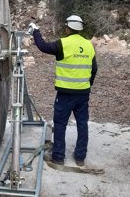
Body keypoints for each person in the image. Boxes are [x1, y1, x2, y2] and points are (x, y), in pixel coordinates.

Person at [28, 15, 97, 166]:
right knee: (82, 123)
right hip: (83, 93)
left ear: (67, 28)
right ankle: (80, 157)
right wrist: (86, 85)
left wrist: (36, 31)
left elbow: (43, 47)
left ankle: (58, 157)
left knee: (60, 124)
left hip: (65, 94)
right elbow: (94, 69)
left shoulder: (63, 44)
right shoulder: (88, 45)